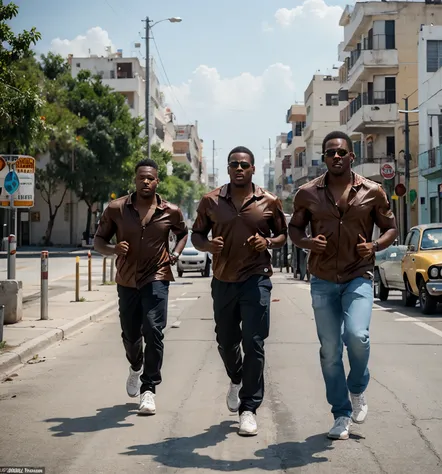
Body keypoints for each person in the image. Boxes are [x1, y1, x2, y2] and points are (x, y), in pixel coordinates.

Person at [289, 131, 397, 440]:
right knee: (330, 350)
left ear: (352, 156)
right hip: (322, 279)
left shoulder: (373, 191)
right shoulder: (306, 193)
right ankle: (340, 414)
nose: (336, 156)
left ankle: (358, 388)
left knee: (357, 336)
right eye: (330, 152)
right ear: (323, 158)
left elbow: (391, 228)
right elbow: (295, 229)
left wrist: (375, 246)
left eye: (341, 152)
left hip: (358, 275)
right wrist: (308, 242)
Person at [191, 146, 288, 436]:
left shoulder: (269, 201)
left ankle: (248, 408)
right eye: (234, 164)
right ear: (228, 168)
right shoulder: (210, 201)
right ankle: (236, 377)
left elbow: (283, 235)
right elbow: (196, 235)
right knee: (225, 339)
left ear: (253, 169)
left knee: (254, 342)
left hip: (256, 278)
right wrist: (207, 246)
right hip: (223, 279)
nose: (239, 168)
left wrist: (268, 243)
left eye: (244, 164)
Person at [94, 158, 188, 416]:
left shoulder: (171, 211)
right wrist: (114, 248)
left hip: (157, 276)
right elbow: (99, 241)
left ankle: (149, 390)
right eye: (141, 178)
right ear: (135, 180)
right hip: (126, 280)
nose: (146, 181)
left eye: (150, 178)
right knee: (130, 335)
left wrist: (176, 254)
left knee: (154, 330)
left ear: (157, 181)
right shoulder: (116, 209)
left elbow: (182, 233)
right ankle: (136, 367)